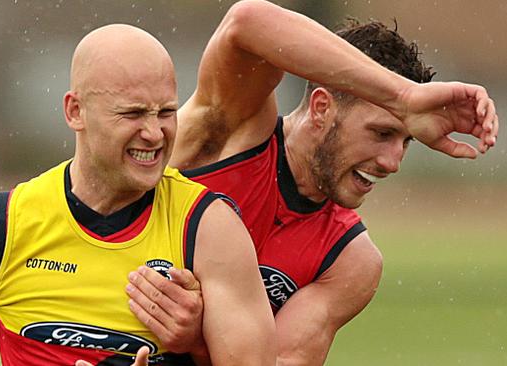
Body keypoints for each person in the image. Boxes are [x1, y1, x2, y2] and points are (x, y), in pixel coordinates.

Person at [124, 1, 499, 365]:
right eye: (382, 133)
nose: (393, 162)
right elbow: (248, 21)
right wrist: (403, 97)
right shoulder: (234, 130)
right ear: (322, 108)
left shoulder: (349, 260)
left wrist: (199, 342)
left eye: (406, 141)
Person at [0, 24, 276, 366]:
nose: (155, 133)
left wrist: (197, 348)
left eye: (166, 112)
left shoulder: (209, 230)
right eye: (133, 113)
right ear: (76, 112)